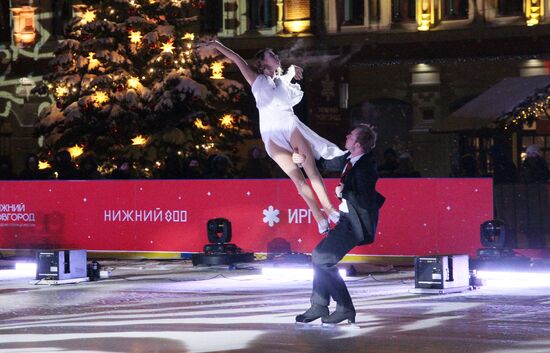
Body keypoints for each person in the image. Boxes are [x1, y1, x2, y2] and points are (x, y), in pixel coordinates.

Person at [201, 40, 345, 234]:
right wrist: (216, 44)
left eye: (275, 54)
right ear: (261, 63)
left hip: (289, 124)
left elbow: (288, 75)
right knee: (298, 179)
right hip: (271, 135)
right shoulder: (256, 80)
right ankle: (319, 217)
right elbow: (236, 58)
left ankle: (329, 210)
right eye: (271, 55)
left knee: (311, 169)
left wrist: (292, 70)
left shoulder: (283, 81)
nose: (277, 56)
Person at [293, 124, 385, 325]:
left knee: (321, 258)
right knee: (320, 258)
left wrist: (343, 192)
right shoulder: (350, 160)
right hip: (346, 220)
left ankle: (343, 307)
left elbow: (366, 199)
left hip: (355, 223)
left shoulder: (366, 168)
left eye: (351, 136)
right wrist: (301, 159)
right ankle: (319, 305)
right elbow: (325, 164)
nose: (347, 136)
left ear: (358, 144)